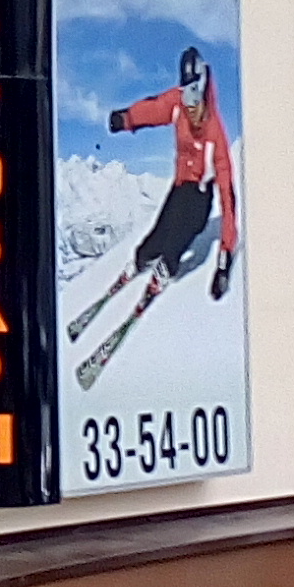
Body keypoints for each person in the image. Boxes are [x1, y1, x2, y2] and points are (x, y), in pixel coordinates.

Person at [66, 44, 240, 387]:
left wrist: (224, 261)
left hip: (200, 199)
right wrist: (126, 119)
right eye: (185, 92)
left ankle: (166, 269)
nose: (190, 102)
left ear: (205, 89)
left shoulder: (215, 135)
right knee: (157, 236)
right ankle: (144, 259)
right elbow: (153, 108)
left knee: (178, 237)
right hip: (179, 189)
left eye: (195, 94)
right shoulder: (177, 104)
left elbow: (228, 197)